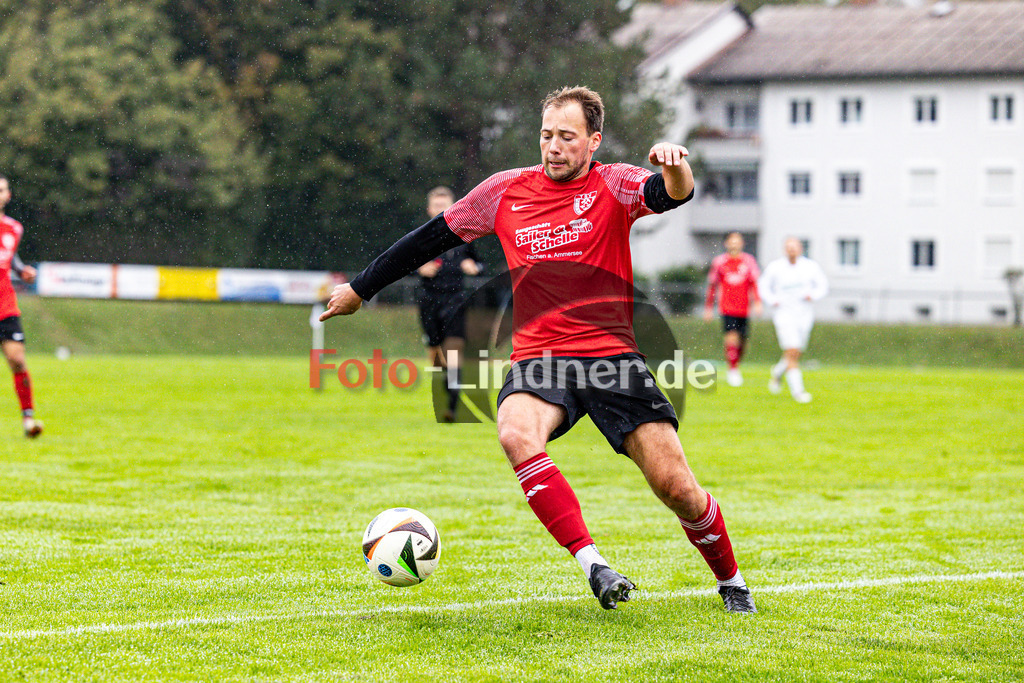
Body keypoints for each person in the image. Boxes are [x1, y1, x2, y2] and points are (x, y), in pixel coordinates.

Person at [321, 87, 756, 613]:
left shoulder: (613, 183)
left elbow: (670, 195)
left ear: (593, 141)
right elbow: (426, 240)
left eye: (567, 137)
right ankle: (593, 564)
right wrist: (360, 289)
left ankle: (731, 582)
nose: (553, 146)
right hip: (540, 357)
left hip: (612, 359)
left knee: (677, 488)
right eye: (547, 135)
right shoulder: (503, 192)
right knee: (514, 433)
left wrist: (675, 166)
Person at [416, 186, 480, 422]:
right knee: (436, 357)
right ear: (429, 210)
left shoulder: (465, 237)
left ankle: (452, 406)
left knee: (454, 353)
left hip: (455, 300)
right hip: (429, 301)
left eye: (446, 206)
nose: (441, 210)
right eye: (437, 206)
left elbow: (480, 262)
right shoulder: (418, 239)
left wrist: (473, 266)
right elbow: (400, 264)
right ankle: (447, 381)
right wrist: (419, 269)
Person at [758, 237, 828, 403]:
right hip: (784, 314)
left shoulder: (810, 267)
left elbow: (822, 285)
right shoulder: (775, 267)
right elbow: (763, 286)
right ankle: (798, 391)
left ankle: (777, 372)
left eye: (794, 247)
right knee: (792, 351)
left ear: (800, 249)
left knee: (796, 352)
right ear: (784, 249)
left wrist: (813, 295)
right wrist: (772, 300)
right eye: (788, 247)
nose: (791, 250)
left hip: (804, 314)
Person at [0, 175, 43, 438]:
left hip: (5, 304)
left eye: (1, 189)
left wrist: (21, 270)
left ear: (8, 195)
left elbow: (9, 255)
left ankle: (28, 419)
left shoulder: (14, 228)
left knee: (16, 359)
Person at [703, 232, 762, 387]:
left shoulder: (749, 261)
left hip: (744, 308)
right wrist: (709, 308)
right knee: (731, 337)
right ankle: (733, 369)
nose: (734, 244)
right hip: (727, 307)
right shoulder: (719, 262)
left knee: (742, 341)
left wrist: (757, 302)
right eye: (732, 241)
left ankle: (735, 364)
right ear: (726, 244)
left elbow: (754, 283)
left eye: (737, 241)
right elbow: (712, 286)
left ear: (742, 244)